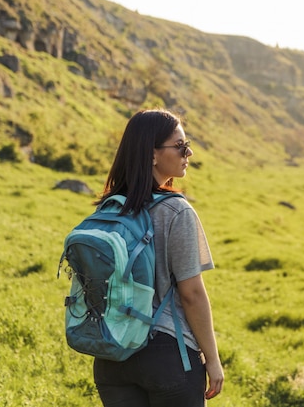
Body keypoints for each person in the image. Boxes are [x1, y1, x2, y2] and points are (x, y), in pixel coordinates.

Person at [92, 109, 224, 406]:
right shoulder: (177, 211)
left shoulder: (108, 209)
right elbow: (192, 294)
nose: (187, 152)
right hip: (168, 354)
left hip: (112, 353)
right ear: (153, 154)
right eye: (179, 145)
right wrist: (212, 361)